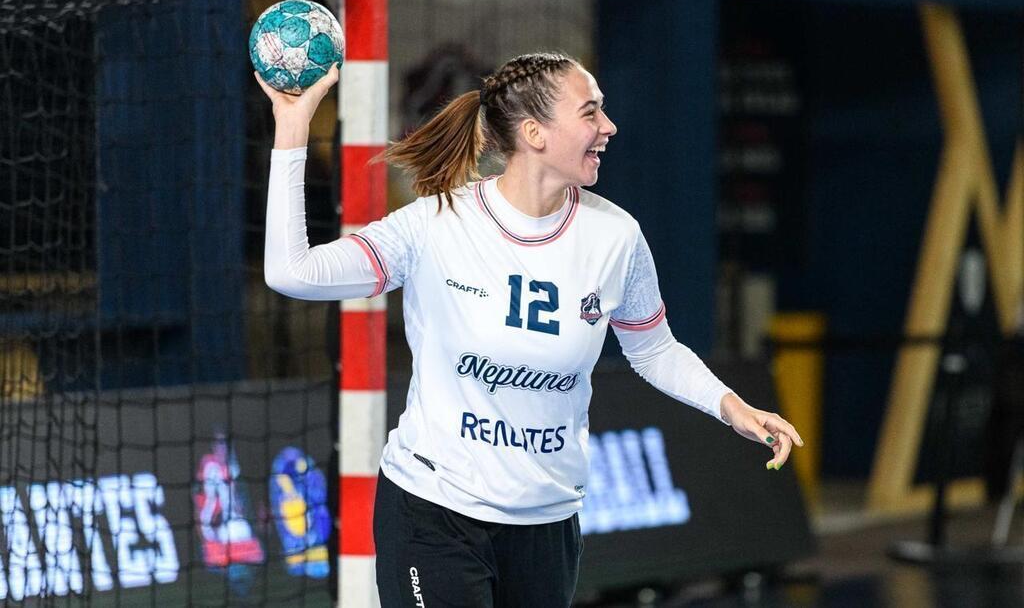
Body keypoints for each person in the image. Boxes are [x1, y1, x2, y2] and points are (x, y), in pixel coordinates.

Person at [257, 53, 804, 608]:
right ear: (534, 132)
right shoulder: (435, 225)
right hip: (436, 512)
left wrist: (734, 407)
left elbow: (654, 349)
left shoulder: (616, 237)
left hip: (547, 522)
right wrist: (293, 123)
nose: (608, 127)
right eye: (591, 113)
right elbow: (291, 272)